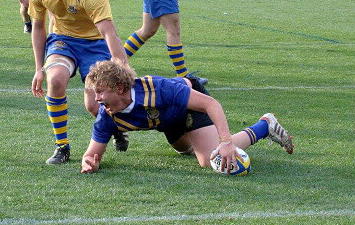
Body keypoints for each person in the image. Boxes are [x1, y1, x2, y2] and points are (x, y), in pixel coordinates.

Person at [80, 60, 295, 174]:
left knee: (209, 159)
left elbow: (212, 105)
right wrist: (90, 163)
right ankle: (204, 140)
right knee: (184, 150)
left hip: (187, 108)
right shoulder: (107, 116)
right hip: (167, 121)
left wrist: (226, 141)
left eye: (100, 91)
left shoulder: (158, 89)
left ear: (119, 88)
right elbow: (91, 154)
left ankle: (265, 125)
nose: (96, 98)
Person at [28, 0, 129, 165]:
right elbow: (38, 28)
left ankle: (116, 130)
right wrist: (38, 68)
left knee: (94, 106)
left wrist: (121, 66)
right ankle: (62, 146)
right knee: (55, 79)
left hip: (95, 43)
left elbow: (108, 31)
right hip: (63, 39)